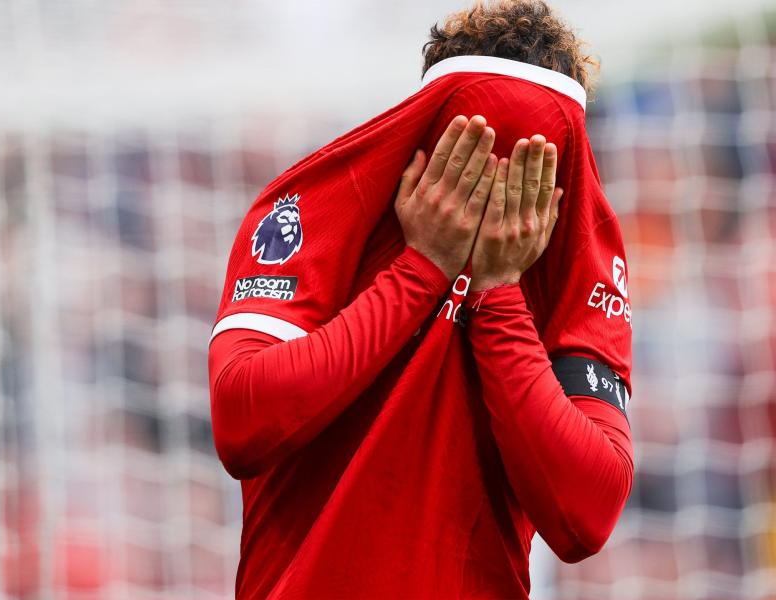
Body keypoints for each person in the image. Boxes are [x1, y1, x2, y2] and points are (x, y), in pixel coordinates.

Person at [208, 1, 635, 597]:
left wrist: (498, 290)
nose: (494, 192)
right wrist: (422, 270)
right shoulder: (318, 211)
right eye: (476, 149)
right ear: (431, 130)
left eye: (529, 168)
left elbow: (585, 515)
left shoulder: (566, 268)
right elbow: (243, 419)